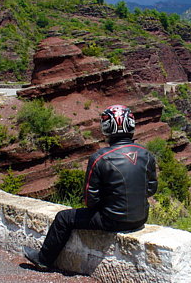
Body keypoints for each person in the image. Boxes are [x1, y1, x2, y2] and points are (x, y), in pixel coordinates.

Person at [23, 104, 158, 270]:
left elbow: (90, 200)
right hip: (140, 219)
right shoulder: (146, 154)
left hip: (112, 220)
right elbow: (151, 189)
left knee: (63, 218)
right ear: (131, 125)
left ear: (107, 128)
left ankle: (43, 260)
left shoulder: (99, 158)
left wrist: (108, 203)